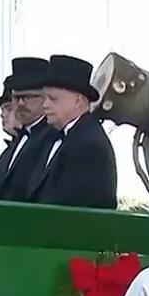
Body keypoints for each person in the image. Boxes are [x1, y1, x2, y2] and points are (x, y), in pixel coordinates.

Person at [28, 53, 118, 209]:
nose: (45, 105)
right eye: (44, 98)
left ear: (78, 101)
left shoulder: (91, 146)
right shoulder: (50, 137)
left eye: (53, 98)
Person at [0, 57, 55, 202]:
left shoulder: (51, 139)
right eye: (16, 98)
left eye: (28, 97)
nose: (21, 104)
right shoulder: (18, 141)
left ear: (45, 98)